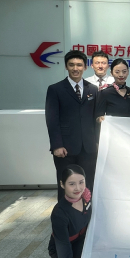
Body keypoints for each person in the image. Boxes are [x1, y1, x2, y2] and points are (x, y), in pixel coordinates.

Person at [45, 50, 98, 200]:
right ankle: (66, 214)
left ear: (85, 67)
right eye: (71, 65)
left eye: (79, 65)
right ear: (66, 66)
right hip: (65, 149)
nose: (75, 68)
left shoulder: (93, 89)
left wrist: (97, 142)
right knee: (66, 184)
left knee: (87, 184)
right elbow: (52, 119)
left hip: (88, 148)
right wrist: (57, 145)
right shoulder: (55, 89)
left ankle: (86, 213)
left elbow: (95, 119)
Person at [48, 165, 92, 258]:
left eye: (81, 182)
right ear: (62, 184)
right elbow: (64, 248)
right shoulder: (59, 213)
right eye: (72, 184)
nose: (78, 188)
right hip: (63, 246)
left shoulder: (86, 198)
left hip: (82, 239)